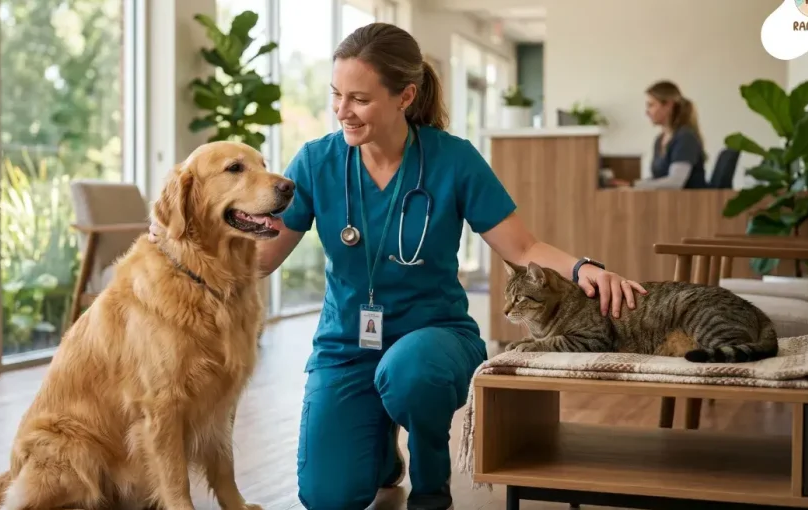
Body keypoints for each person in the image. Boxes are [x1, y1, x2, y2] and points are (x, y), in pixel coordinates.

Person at [150, 22, 645, 510]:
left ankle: (431, 485)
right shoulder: (317, 162)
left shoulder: (454, 160)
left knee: (410, 373)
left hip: (435, 340)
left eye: (359, 99)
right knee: (327, 497)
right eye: (336, 95)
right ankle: (382, 453)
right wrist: (183, 248)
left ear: (405, 97)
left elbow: (521, 246)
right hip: (348, 346)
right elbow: (259, 260)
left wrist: (583, 269)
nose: (342, 110)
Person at [620, 80, 707, 189]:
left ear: (668, 106)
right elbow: (658, 179)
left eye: (651, 105)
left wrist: (634, 186)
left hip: (688, 203)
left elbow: (675, 182)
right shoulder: (660, 139)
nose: (647, 112)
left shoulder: (685, 138)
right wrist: (631, 185)